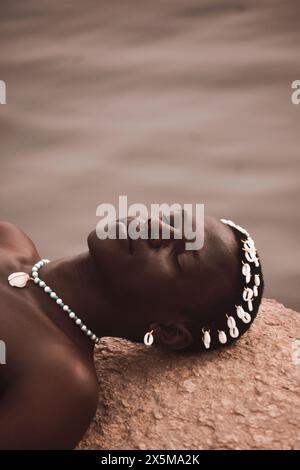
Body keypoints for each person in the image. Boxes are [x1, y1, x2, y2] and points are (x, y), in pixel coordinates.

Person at [0, 214, 264, 449]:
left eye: (178, 258)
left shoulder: (60, 382)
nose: (154, 227)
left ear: (169, 331)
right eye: (172, 221)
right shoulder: (8, 237)